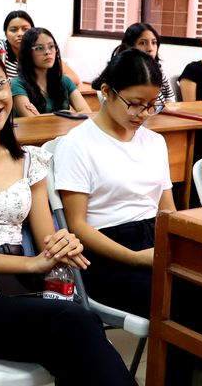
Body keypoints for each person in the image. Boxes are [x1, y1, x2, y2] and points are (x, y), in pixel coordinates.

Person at [0, 43, 136, 385]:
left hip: (19, 290)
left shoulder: (31, 160)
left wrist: (63, 244)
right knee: (75, 324)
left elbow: (48, 239)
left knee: (76, 331)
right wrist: (33, 264)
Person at [54, 48, 171, 319]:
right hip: (105, 251)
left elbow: (168, 211)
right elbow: (77, 226)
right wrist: (135, 257)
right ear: (107, 91)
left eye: (152, 105)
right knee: (179, 297)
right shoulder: (78, 143)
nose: (143, 113)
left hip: (154, 237)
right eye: (134, 103)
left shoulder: (155, 142)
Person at [11, 27, 90, 118]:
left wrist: (41, 117)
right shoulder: (17, 84)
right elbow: (32, 122)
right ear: (27, 53)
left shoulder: (65, 81)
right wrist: (66, 114)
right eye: (40, 48)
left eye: (51, 46)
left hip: (63, 132)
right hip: (32, 132)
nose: (48, 52)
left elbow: (87, 113)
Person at [113, 22, 175, 103]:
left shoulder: (158, 68)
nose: (150, 48)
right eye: (142, 43)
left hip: (160, 113)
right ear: (130, 46)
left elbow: (170, 97)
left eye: (153, 42)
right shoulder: (122, 72)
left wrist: (167, 109)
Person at [0, 10, 33, 78]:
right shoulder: (1, 46)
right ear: (6, 33)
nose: (20, 34)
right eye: (13, 30)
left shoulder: (36, 50)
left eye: (25, 29)